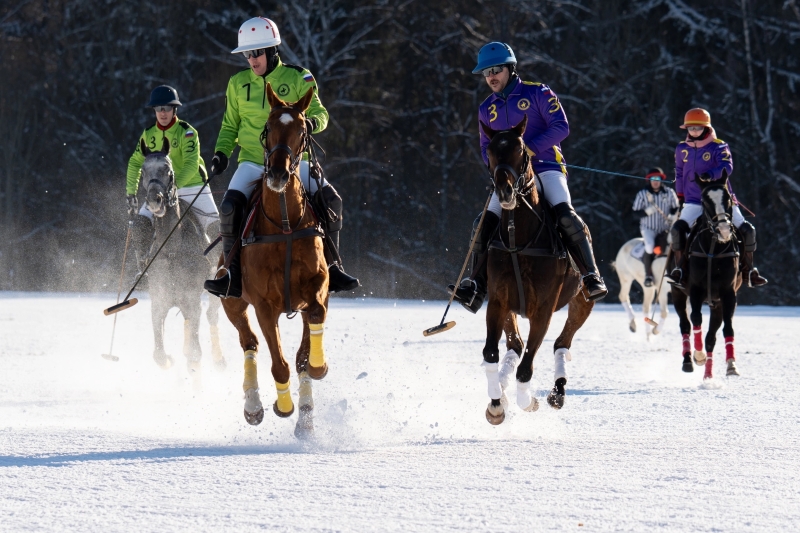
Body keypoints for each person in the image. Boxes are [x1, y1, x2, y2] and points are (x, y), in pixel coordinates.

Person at [203, 16, 359, 299]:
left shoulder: (299, 77)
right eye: (247, 54)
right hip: (252, 160)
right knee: (228, 208)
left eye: (257, 52)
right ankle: (231, 275)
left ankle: (333, 266)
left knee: (331, 200)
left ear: (273, 50)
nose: (252, 59)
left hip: (296, 161)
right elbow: (229, 126)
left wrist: (310, 124)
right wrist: (221, 153)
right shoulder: (237, 83)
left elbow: (321, 114)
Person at [449, 42, 608, 313]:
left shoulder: (537, 93)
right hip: (510, 178)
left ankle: (591, 276)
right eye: (486, 72)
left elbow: (561, 127)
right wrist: (499, 170)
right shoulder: (486, 108)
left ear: (510, 69)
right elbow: (484, 149)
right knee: (483, 223)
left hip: (546, 167)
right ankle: (475, 285)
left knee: (565, 214)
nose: (491, 76)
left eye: (496, 69)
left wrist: (529, 150)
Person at [666, 108, 767, 288]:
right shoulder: (681, 148)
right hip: (694, 201)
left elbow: (727, 166)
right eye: (691, 128)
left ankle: (749, 271)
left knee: (748, 230)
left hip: (720, 200)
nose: (694, 132)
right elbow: (679, 173)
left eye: (698, 128)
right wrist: (680, 195)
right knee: (677, 230)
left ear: (706, 128)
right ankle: (680, 270)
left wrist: (710, 174)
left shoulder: (719, 146)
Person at [126, 85, 219, 274]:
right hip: (159, 190)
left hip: (192, 186)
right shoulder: (148, 134)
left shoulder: (187, 132)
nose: (162, 112)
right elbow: (135, 163)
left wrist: (174, 187)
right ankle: (142, 268)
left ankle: (221, 270)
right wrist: (131, 192)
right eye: (158, 108)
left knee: (217, 228)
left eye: (167, 108)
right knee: (140, 224)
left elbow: (191, 165)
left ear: (174, 109)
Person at [631, 167, 679, 286]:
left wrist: (673, 215)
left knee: (678, 243)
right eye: (653, 178)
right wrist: (645, 212)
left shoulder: (669, 193)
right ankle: (648, 276)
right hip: (649, 228)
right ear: (649, 180)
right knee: (649, 246)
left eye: (657, 178)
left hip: (666, 228)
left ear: (661, 179)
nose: (655, 181)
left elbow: (676, 207)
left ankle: (678, 272)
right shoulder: (642, 194)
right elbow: (634, 213)